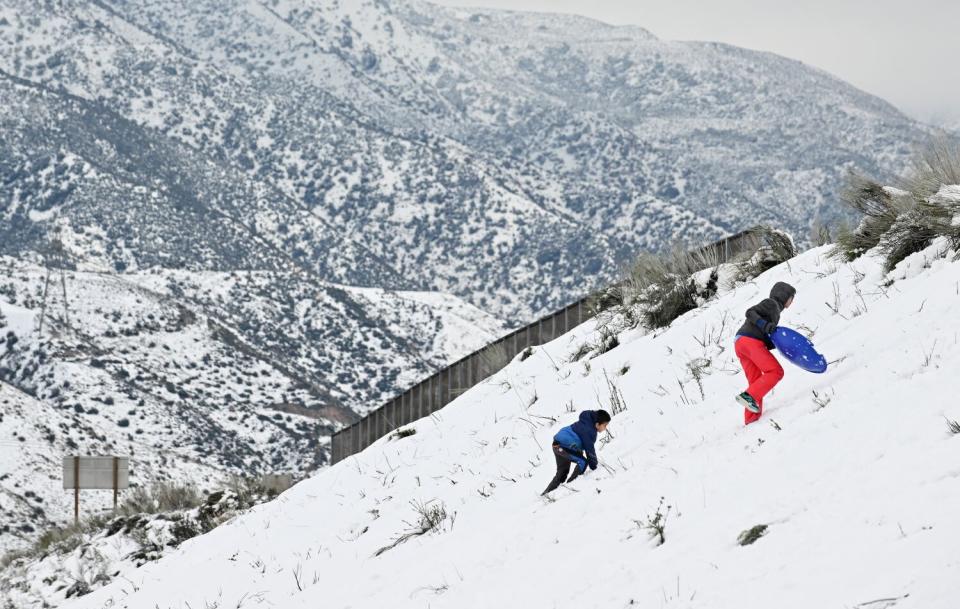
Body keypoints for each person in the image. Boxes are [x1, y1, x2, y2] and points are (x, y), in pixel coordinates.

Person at [734, 281, 796, 425]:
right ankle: (748, 396)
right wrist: (765, 325)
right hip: (750, 341)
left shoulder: (774, 310)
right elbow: (750, 312)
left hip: (740, 343)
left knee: (756, 382)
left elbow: (766, 333)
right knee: (776, 371)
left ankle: (751, 419)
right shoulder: (771, 304)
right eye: (791, 297)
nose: (792, 301)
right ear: (784, 296)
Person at [541, 409, 611, 495]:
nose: (605, 428)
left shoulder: (585, 422)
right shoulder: (589, 431)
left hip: (557, 445)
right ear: (597, 424)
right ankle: (571, 486)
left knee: (562, 473)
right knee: (583, 462)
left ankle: (545, 494)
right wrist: (594, 467)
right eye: (605, 425)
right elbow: (590, 450)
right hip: (563, 446)